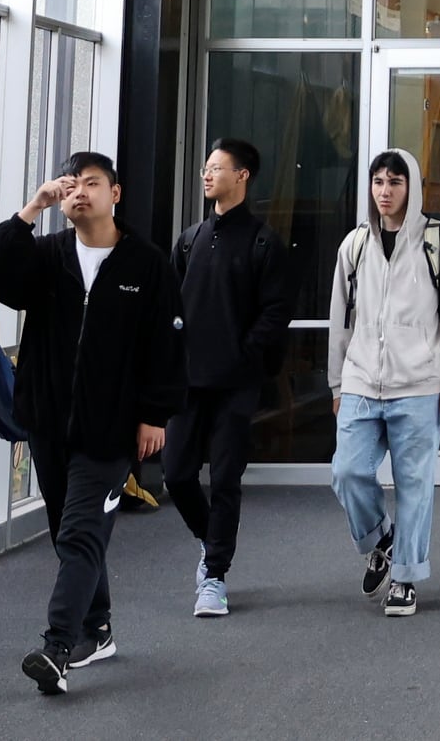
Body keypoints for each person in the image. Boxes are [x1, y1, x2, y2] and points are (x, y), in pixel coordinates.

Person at [0, 151, 182, 695]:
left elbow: (163, 344)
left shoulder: (147, 264)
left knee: (80, 530)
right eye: (70, 187)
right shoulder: (46, 258)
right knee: (69, 531)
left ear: (116, 193)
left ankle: (57, 648)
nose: (78, 193)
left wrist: (153, 415)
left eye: (92, 184)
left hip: (111, 428)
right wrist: (32, 207)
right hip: (48, 421)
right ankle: (99, 629)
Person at [326, 149, 440, 618]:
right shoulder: (354, 246)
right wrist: (336, 384)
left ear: (412, 187)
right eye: (378, 182)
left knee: (415, 485)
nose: (385, 191)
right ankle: (381, 539)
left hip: (420, 384)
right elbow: (339, 321)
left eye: (395, 182)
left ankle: (407, 576)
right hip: (361, 381)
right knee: (347, 471)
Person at [168, 137, 288, 617]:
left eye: (216, 168)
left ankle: (214, 576)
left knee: (225, 481)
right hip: (187, 383)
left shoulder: (263, 242)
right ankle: (209, 540)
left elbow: (275, 312)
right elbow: (171, 307)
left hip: (236, 384)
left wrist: (245, 355)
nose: (206, 175)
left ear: (242, 175)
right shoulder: (190, 238)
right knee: (176, 475)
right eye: (205, 167)